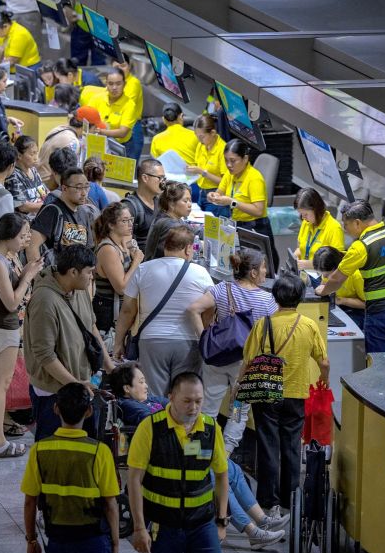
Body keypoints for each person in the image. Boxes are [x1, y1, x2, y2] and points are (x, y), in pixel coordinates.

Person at [110, 364, 287, 550]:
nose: (146, 385)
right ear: (127, 388)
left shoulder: (150, 400)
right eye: (141, 381)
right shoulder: (129, 406)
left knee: (229, 468)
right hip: (168, 454)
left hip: (187, 445)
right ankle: (252, 530)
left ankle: (262, 519)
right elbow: (161, 419)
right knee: (210, 473)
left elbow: (171, 406)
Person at [241, 272, 329, 514]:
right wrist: (325, 381)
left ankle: (267, 501)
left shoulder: (263, 324)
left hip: (266, 393)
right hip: (296, 394)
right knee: (291, 447)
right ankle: (291, 500)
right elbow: (324, 362)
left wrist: (240, 388)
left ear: (275, 297)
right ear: (300, 297)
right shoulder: (309, 326)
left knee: (268, 446)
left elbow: (248, 360)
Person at [127, 372, 230, 553]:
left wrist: (222, 521)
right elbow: (133, 480)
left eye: (198, 401)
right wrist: (139, 527)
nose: (193, 408)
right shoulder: (150, 428)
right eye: (187, 401)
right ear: (171, 396)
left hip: (202, 525)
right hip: (163, 527)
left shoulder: (210, 429)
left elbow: (221, 475)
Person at [21, 382, 120, 553]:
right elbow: (110, 504)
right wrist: (115, 543)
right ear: (89, 411)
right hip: (94, 543)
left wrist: (32, 541)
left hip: (58, 542)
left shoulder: (40, 450)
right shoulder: (99, 451)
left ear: (56, 409)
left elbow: (30, 502)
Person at [23, 245, 112, 441]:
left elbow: (91, 327)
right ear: (73, 272)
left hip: (80, 386)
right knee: (52, 448)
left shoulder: (79, 289)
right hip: (53, 392)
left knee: (85, 447)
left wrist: (109, 365)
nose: (92, 277)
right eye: (89, 272)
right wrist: (76, 384)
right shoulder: (45, 301)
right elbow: (44, 355)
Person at [187, 247, 277, 428]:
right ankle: (227, 451)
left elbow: (193, 309)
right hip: (246, 362)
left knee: (209, 407)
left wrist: (204, 339)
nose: (266, 272)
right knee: (238, 409)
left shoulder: (222, 288)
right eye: (263, 267)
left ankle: (204, 448)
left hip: (218, 356)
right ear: (253, 272)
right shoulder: (267, 300)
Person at [0, 213, 42, 457]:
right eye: (23, 234)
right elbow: (12, 302)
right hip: (1, 326)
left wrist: (27, 269)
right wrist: (28, 277)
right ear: (9, 236)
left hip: (3, 326)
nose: (26, 238)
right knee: (2, 384)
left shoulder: (4, 257)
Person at [116, 225, 212, 392]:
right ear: (188, 249)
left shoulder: (143, 269)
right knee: (184, 395)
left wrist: (118, 342)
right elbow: (210, 310)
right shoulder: (201, 273)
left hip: (152, 342)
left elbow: (127, 311)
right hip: (188, 343)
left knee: (154, 397)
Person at [315, 199, 385, 353]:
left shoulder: (361, 246)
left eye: (346, 224)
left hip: (381, 313)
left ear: (357, 223)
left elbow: (336, 279)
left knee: (379, 363)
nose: (344, 229)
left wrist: (322, 291)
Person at [210, 139, 275, 269]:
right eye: (226, 160)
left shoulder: (254, 178)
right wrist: (214, 196)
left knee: (254, 268)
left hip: (254, 227)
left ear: (245, 159)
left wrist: (232, 202)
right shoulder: (230, 174)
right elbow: (220, 191)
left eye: (233, 161)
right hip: (236, 224)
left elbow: (258, 210)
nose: (228, 165)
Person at [92, 201, 143, 334]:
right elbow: (121, 288)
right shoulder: (108, 249)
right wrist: (136, 262)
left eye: (131, 219)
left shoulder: (123, 244)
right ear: (111, 225)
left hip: (121, 308)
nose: (130, 224)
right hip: (108, 311)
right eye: (125, 221)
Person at [82, 68, 140, 159]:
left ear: (124, 84)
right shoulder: (97, 98)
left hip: (120, 146)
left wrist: (102, 131)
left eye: (118, 84)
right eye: (111, 84)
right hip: (99, 143)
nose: (114, 88)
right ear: (106, 84)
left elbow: (122, 132)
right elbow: (87, 119)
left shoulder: (129, 105)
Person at [314, 246, 366, 328]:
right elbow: (324, 283)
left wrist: (341, 300)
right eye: (321, 274)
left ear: (338, 269)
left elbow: (367, 304)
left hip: (357, 311)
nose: (325, 277)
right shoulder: (329, 265)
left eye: (327, 275)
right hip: (339, 306)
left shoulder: (356, 275)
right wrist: (322, 287)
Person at [293, 187, 345, 268]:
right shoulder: (306, 222)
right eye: (301, 214)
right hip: (304, 273)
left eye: (305, 214)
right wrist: (294, 256)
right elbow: (300, 248)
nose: (303, 218)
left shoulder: (334, 228)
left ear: (316, 209)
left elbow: (336, 262)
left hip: (323, 276)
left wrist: (311, 264)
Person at [143, 180, 193, 262]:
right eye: (185, 201)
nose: (190, 204)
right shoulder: (170, 226)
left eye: (190, 200)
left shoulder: (171, 217)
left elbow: (190, 229)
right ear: (171, 204)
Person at [188, 114, 227, 213]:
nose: (199, 140)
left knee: (209, 227)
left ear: (213, 132)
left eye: (201, 137)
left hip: (216, 196)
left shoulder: (223, 150)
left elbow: (225, 182)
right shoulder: (201, 146)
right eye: (196, 136)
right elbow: (198, 167)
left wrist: (203, 172)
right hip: (201, 193)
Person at [6, 135, 47, 218]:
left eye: (36, 153)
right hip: (25, 224)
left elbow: (44, 193)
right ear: (19, 155)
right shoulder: (13, 176)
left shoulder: (34, 170)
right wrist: (48, 206)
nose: (36, 158)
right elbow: (23, 206)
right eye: (32, 154)